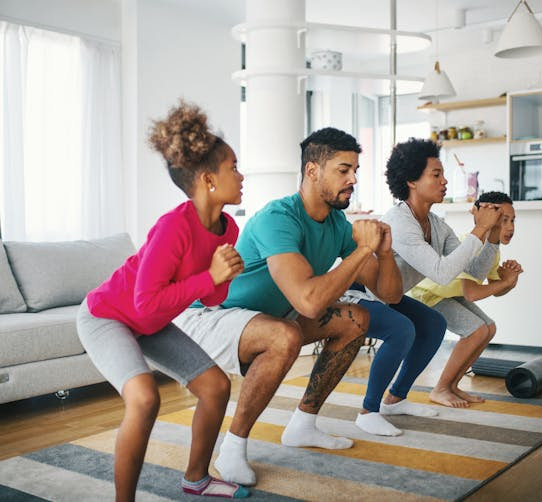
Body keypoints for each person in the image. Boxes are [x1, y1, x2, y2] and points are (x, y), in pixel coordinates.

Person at [174, 127, 403, 486]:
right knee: (284, 336)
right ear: (312, 171)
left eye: (355, 170)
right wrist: (361, 251)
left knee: (356, 319)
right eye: (343, 170)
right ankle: (232, 449)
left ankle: (303, 425)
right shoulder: (277, 218)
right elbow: (309, 303)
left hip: (265, 316)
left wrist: (383, 252)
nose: (353, 179)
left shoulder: (336, 223)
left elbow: (390, 295)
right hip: (211, 315)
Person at [76, 101, 250, 500]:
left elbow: (211, 297)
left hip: (149, 321)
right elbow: (145, 304)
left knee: (216, 387)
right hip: (108, 316)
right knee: (144, 397)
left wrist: (221, 277)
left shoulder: (228, 227)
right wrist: (210, 274)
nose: (241, 176)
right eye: (233, 167)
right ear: (208, 179)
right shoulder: (173, 227)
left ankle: (196, 479)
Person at [377, 138, 504, 409]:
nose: (444, 181)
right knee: (406, 330)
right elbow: (442, 274)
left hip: (395, 297)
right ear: (412, 181)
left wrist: (491, 237)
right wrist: (478, 230)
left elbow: (472, 272)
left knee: (437, 325)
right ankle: (371, 408)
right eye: (436, 175)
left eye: (443, 174)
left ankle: (396, 399)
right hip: (370, 295)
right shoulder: (400, 221)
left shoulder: (437, 225)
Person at [409, 191, 523, 405]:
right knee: (475, 330)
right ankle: (440, 389)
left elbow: (495, 290)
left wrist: (510, 281)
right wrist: (505, 283)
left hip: (449, 293)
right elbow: (472, 294)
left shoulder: (493, 249)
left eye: (513, 220)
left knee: (489, 327)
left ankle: (453, 386)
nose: (510, 227)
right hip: (428, 294)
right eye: (504, 220)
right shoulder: (469, 245)